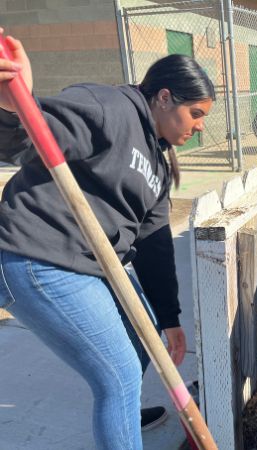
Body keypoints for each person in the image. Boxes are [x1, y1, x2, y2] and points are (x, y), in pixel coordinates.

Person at [0, 32, 215, 449]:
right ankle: (120, 407)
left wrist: (169, 318)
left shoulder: (158, 163)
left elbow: (154, 245)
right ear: (165, 98)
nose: (200, 125)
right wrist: (14, 106)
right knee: (116, 373)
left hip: (90, 264)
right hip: (37, 257)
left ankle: (124, 415)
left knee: (139, 337)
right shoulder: (110, 107)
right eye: (196, 112)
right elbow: (27, 139)